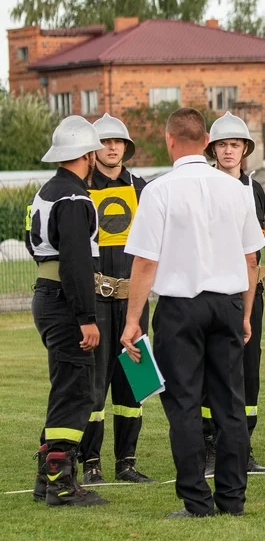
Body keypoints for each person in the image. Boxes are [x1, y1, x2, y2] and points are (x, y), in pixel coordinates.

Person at [120, 108, 265, 518]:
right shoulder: (236, 190)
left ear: (169, 141)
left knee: (183, 405)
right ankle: (233, 501)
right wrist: (246, 313)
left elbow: (145, 263)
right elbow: (251, 259)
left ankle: (198, 504)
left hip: (179, 308)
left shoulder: (159, 191)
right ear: (207, 142)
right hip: (228, 302)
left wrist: (132, 321)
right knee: (230, 404)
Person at [27, 115, 108, 506]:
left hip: (46, 294)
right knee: (76, 391)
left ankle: (47, 479)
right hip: (64, 299)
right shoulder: (74, 197)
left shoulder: (48, 190)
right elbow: (76, 262)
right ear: (88, 154)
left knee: (65, 388)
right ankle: (60, 481)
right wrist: (87, 318)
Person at [77, 113, 153, 485]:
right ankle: (90, 463)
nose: (111, 147)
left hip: (133, 302)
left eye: (117, 142)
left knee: (133, 383)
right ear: (93, 149)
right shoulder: (80, 188)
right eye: (104, 142)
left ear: (126, 147)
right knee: (94, 385)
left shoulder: (142, 188)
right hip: (93, 302)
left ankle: (127, 462)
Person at [202, 111, 265, 475]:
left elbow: (254, 249)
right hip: (213, 291)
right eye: (222, 144)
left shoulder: (254, 189)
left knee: (248, 370)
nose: (229, 151)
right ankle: (210, 447)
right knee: (212, 369)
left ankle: (243, 447)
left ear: (245, 149)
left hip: (248, 291)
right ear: (212, 148)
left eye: (235, 144)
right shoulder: (204, 184)